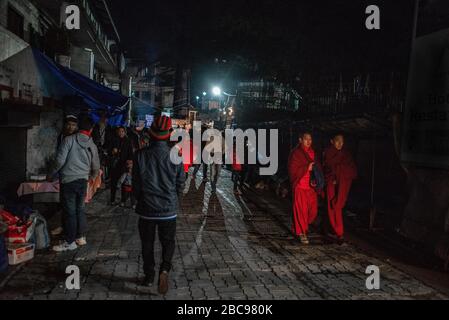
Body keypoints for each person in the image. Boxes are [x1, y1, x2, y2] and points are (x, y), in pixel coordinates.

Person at [133, 115, 185, 294]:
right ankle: (164, 269)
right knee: (168, 242)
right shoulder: (176, 155)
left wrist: (137, 200)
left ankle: (148, 276)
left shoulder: (140, 155)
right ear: (169, 134)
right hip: (168, 210)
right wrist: (173, 199)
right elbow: (180, 183)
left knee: (147, 244)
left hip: (147, 209)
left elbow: (136, 185)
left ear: (151, 134)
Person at [48, 115, 100, 252]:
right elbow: (96, 166)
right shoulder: (92, 144)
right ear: (91, 128)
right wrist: (91, 178)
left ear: (78, 127)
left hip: (68, 181)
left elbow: (59, 161)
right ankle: (80, 237)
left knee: (70, 211)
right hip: (83, 181)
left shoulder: (68, 140)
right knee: (80, 209)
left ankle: (69, 241)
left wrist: (50, 174)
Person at [323, 133, 357, 244]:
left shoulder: (346, 155)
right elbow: (327, 169)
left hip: (341, 184)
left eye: (342, 142)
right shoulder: (328, 153)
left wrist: (339, 173)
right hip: (331, 184)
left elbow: (353, 171)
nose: (340, 144)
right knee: (332, 208)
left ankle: (337, 232)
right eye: (337, 141)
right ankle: (339, 233)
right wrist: (335, 175)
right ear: (331, 141)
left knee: (338, 207)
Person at [287, 132, 319, 245]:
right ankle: (301, 233)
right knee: (301, 211)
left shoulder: (312, 152)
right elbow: (292, 170)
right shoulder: (296, 153)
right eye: (306, 139)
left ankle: (303, 225)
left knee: (313, 211)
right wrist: (307, 167)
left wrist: (316, 179)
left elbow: (317, 169)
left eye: (310, 139)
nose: (309, 141)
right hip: (300, 186)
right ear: (300, 140)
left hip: (310, 187)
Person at [52, 114, 79, 237]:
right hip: (64, 174)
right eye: (68, 124)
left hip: (73, 174)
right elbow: (58, 155)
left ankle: (72, 233)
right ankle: (66, 228)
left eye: (73, 125)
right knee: (65, 205)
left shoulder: (77, 138)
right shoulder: (61, 137)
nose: (70, 127)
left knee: (72, 207)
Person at [108, 126, 133, 205]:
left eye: (122, 131)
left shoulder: (128, 141)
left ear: (125, 132)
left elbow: (130, 153)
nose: (121, 133)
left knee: (123, 183)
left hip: (124, 165)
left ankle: (123, 200)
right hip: (115, 165)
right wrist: (112, 152)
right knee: (113, 183)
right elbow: (108, 151)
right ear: (117, 132)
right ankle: (112, 200)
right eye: (119, 131)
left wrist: (129, 164)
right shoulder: (113, 140)